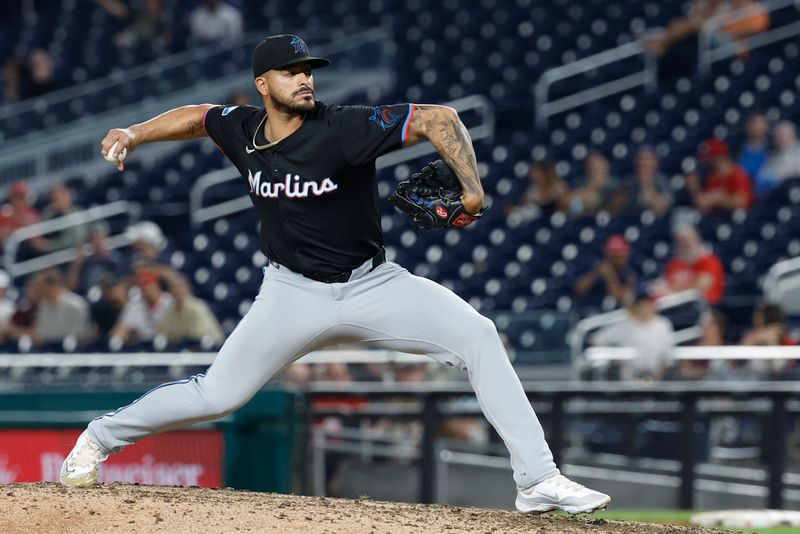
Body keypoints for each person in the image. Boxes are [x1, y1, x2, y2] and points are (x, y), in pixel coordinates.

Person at [59, 34, 610, 514]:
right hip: (290, 294)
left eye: (308, 71)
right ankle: (96, 439)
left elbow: (440, 118)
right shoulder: (244, 129)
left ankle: (536, 479)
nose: (304, 79)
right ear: (262, 85)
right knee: (217, 396)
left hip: (372, 285)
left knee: (478, 335)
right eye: (291, 72)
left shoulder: (343, 128)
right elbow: (197, 117)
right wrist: (134, 131)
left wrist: (472, 189)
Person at [591, 286, 675, 381]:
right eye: (643, 303)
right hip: (629, 378)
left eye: (649, 303)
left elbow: (668, 358)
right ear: (636, 305)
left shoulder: (663, 325)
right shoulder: (625, 325)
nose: (646, 307)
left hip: (656, 378)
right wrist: (617, 360)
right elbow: (598, 339)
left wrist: (657, 375)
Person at [653, 224, 725, 305]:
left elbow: (701, 287)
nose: (685, 244)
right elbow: (664, 286)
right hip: (675, 306)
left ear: (697, 240)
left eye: (689, 240)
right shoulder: (673, 264)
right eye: (681, 241)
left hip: (704, 306)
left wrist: (672, 290)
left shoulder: (709, 260)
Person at [686, 138, 754, 214]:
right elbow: (702, 203)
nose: (707, 162)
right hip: (716, 218)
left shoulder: (737, 174)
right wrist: (694, 187)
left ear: (718, 158)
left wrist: (717, 200)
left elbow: (742, 201)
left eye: (710, 158)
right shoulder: (713, 177)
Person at [156, 272, 224, 346]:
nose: (177, 290)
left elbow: (202, 333)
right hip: (180, 348)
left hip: (205, 347)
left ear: (187, 288)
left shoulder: (197, 306)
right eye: (173, 287)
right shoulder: (169, 310)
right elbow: (164, 333)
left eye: (180, 286)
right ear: (169, 290)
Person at [109, 269, 174, 344]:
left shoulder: (170, 302)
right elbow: (122, 328)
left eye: (147, 283)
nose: (144, 288)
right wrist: (116, 340)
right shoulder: (134, 306)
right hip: (142, 347)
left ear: (156, 284)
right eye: (141, 285)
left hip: (168, 346)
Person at [574, 234, 637, 306]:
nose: (616, 259)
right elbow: (578, 290)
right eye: (613, 254)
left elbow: (622, 298)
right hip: (591, 309)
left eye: (619, 255)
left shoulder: (628, 273)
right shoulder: (596, 267)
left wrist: (609, 276)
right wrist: (595, 274)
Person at [32, 268, 91, 345]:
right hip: (46, 349)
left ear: (50, 285)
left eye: (41, 287)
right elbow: (40, 334)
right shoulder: (43, 306)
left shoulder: (75, 304)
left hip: (72, 350)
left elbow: (79, 334)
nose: (37, 291)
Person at [66, 222, 127, 294]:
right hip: (89, 297)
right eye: (93, 238)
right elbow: (70, 287)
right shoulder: (86, 261)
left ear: (107, 237)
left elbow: (124, 280)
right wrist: (76, 264)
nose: (97, 241)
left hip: (111, 294)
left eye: (100, 237)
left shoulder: (116, 258)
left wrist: (104, 255)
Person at [36, 183, 89, 253]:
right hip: (54, 255)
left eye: (60, 193)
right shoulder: (48, 213)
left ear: (67, 195)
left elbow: (75, 239)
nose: (56, 196)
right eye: (53, 194)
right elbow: (40, 234)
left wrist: (48, 246)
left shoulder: (77, 212)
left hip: (76, 251)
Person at [506, 159, 570, 217]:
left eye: (538, 175)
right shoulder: (532, 192)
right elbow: (526, 207)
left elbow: (566, 206)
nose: (536, 178)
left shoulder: (559, 187)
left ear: (545, 174)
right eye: (534, 176)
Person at [569, 152, 622, 217]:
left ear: (605, 166)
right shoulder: (579, 184)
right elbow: (572, 205)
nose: (594, 168)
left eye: (597, 166)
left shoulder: (617, 184)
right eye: (591, 165)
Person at [625, 147, 673, 217]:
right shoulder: (629, 182)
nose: (643, 167)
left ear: (656, 164)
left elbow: (662, 209)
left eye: (647, 164)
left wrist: (647, 185)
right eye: (641, 162)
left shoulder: (662, 181)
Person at [756, 121, 800, 194]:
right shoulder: (771, 155)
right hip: (777, 195)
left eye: (782, 135)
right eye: (777, 136)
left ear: (792, 135)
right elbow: (762, 177)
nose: (779, 138)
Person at [737, 112, 770, 183]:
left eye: (761, 123)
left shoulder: (773, 148)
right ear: (747, 127)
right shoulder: (737, 149)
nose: (758, 127)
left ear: (766, 127)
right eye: (754, 123)